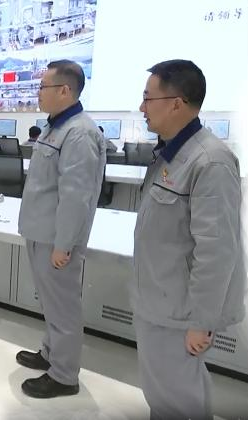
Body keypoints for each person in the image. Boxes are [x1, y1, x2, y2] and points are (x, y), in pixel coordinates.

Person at [132, 59, 244, 419]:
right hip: (160, 299)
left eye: (148, 99)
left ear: (176, 104)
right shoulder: (172, 153)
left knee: (178, 397)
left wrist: (202, 321)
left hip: (181, 311)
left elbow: (217, 251)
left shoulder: (210, 161)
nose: (142, 108)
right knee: (166, 392)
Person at [17, 60, 106, 398]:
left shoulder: (79, 133)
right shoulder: (56, 127)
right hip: (41, 232)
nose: (38, 93)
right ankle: (50, 353)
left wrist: (64, 245)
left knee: (63, 307)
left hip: (57, 240)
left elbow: (75, 197)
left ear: (65, 90)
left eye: (43, 87)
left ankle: (64, 375)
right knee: (51, 303)